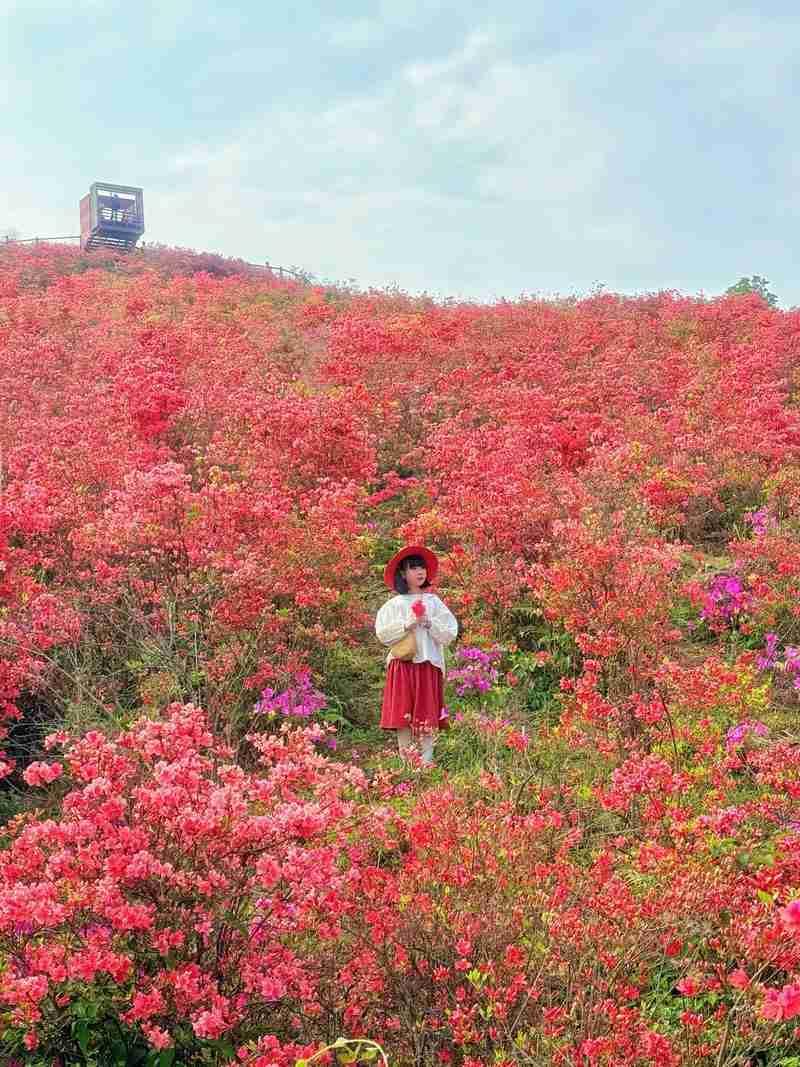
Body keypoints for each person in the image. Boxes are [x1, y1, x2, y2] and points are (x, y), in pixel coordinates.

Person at [375, 545, 458, 764]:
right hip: (402, 664)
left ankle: (427, 760)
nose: (420, 572)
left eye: (421, 567)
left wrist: (429, 623)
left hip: (428, 664)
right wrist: (407, 624)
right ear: (403, 573)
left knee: (427, 713)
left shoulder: (433, 602)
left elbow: (449, 633)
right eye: (413, 568)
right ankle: (407, 762)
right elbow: (383, 634)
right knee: (403, 714)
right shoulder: (393, 605)